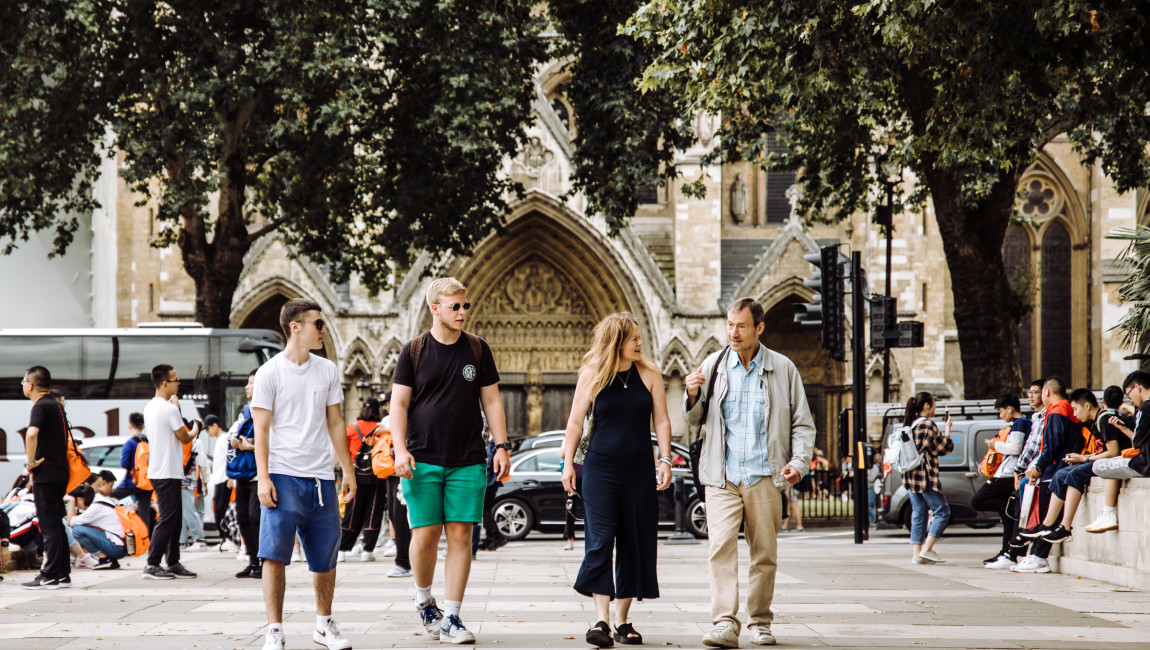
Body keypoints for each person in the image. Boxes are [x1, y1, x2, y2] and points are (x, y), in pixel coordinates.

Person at [686, 297, 816, 648]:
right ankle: (724, 622)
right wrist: (692, 393)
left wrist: (799, 463)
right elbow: (695, 421)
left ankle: (759, 621)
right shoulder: (713, 365)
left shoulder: (783, 368)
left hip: (763, 475)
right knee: (720, 548)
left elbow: (803, 424)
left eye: (741, 326)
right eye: (730, 325)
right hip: (722, 475)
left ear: (759, 328)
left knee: (764, 553)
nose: (733, 332)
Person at [391, 277, 511, 644]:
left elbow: (491, 400)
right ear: (435, 308)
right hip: (421, 457)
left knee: (462, 535)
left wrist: (502, 445)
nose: (462, 312)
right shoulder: (413, 351)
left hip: (468, 458)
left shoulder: (477, 350)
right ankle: (424, 600)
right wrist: (400, 449)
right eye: (455, 306)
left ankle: (452, 616)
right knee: (425, 535)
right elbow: (398, 404)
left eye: (465, 306)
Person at [560, 313, 673, 648]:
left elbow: (663, 421)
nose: (641, 343)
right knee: (599, 540)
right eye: (634, 339)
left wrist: (665, 459)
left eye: (640, 338)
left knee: (634, 540)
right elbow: (574, 424)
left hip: (640, 469)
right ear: (616, 342)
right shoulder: (592, 374)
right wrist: (568, 465)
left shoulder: (650, 374)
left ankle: (623, 621)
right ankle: (601, 621)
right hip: (600, 470)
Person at [252, 298, 356, 650]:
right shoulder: (270, 373)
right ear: (295, 327)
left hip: (321, 478)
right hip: (282, 475)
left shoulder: (326, 370)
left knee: (326, 556)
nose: (324, 330)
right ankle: (275, 630)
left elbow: (336, 422)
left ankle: (323, 625)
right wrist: (263, 477)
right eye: (318, 324)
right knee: (274, 555)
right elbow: (261, 431)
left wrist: (348, 470)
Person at [1019, 388, 1128, 546]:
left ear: (1087, 405)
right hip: (1099, 461)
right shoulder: (1096, 421)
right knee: (1060, 474)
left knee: (1073, 475)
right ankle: (1047, 525)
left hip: (1111, 463)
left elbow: (1113, 452)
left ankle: (1065, 527)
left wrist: (1084, 459)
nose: (1075, 414)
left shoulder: (1105, 419)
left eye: (1076, 409)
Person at [1012, 376, 1079, 573]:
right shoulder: (1066, 410)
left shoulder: (1058, 411)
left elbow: (1052, 444)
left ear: (1047, 392)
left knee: (1046, 519)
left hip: (1053, 469)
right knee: (1046, 517)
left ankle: (1039, 556)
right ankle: (1035, 554)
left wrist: (1039, 466)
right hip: (1057, 467)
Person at [143, 364, 201, 580]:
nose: (179, 383)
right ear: (164, 383)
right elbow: (185, 437)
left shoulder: (152, 406)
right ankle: (152, 563)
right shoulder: (167, 409)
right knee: (168, 517)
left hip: (162, 469)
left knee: (174, 518)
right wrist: (196, 427)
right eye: (176, 379)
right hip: (167, 470)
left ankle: (173, 562)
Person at [20, 366, 73, 590]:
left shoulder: (40, 406)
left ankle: (49, 574)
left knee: (48, 525)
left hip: (46, 474)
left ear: (30, 385)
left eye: (23, 382)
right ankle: (62, 573)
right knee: (57, 523)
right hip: (60, 472)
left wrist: (30, 463)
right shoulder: (56, 404)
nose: (22, 385)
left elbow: (31, 433)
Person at [974, 394, 1030, 569]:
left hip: (1006, 476)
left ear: (1010, 409)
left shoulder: (1020, 423)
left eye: (1001, 411)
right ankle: (1006, 551)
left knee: (978, 501)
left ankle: (1008, 550)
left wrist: (994, 445)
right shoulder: (1021, 424)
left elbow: (1015, 448)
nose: (1000, 415)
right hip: (1008, 473)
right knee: (1007, 517)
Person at [901, 392, 954, 565]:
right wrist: (947, 430)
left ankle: (916, 554)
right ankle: (927, 549)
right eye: (933, 404)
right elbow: (944, 448)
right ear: (926, 406)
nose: (935, 407)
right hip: (925, 476)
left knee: (919, 513)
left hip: (911, 476)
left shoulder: (911, 424)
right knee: (942, 511)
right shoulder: (928, 425)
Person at [338, 398, 386, 563]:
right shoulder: (380, 428)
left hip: (355, 474)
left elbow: (342, 450)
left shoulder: (352, 427)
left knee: (352, 512)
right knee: (373, 511)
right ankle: (368, 550)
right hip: (378, 474)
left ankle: (343, 549)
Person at [230, 371, 262, 577]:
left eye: (251, 383)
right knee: (242, 515)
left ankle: (262, 561)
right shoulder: (246, 410)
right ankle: (252, 560)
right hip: (244, 473)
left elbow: (275, 439)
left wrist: (250, 447)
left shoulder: (270, 409)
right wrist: (233, 437)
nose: (246, 387)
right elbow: (235, 429)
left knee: (255, 516)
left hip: (261, 473)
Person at [71, 470, 128, 569]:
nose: (100, 489)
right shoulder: (101, 500)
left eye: (101, 485)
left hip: (117, 547)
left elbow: (70, 522)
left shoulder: (97, 504)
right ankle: (108, 560)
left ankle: (104, 559)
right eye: (98, 485)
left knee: (77, 530)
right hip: (120, 544)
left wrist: (71, 500)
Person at [112, 412, 154, 532]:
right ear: (143, 426)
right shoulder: (148, 441)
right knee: (144, 511)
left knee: (108, 499)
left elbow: (124, 464)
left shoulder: (129, 443)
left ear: (129, 425)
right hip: (147, 482)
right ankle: (145, 540)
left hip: (131, 481)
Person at [206, 414, 240, 552]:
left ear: (215, 425)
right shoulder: (220, 439)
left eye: (208, 429)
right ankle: (225, 539)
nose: (208, 433)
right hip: (219, 479)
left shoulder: (225, 438)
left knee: (223, 510)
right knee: (219, 509)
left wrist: (231, 477)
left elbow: (232, 456)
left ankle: (229, 539)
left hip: (225, 479)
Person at [180, 420, 210, 551]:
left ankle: (199, 539)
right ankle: (183, 541)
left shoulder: (194, 442)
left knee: (189, 511)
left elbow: (203, 463)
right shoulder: (188, 441)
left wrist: (205, 482)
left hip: (188, 482)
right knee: (183, 512)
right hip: (183, 481)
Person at [478, 437, 509, 552]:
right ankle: (490, 538)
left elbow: (490, 462)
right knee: (486, 510)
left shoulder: (493, 442)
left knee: (484, 510)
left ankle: (497, 536)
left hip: (489, 481)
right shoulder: (494, 441)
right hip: (491, 481)